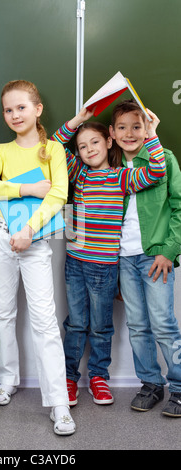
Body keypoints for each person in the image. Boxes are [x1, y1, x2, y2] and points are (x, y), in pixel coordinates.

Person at [51, 105, 166, 408]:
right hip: (75, 262)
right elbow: (52, 146)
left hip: (105, 266)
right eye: (82, 146)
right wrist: (77, 120)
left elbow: (156, 171)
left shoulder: (121, 178)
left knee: (101, 325)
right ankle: (68, 377)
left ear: (109, 141)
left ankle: (99, 376)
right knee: (76, 323)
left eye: (95, 143)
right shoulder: (77, 173)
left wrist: (152, 134)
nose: (89, 150)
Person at [0, 79, 76, 436]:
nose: (14, 114)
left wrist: (29, 230)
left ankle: (58, 403)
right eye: (8, 109)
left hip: (33, 241)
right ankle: (7, 380)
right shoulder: (2, 151)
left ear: (37, 110)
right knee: (2, 313)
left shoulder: (54, 150)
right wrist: (26, 188)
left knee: (44, 321)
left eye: (21, 107)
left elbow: (58, 196)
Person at [109, 99, 181, 417]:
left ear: (147, 127)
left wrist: (169, 250)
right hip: (122, 259)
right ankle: (151, 384)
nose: (129, 133)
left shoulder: (162, 159)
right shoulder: (108, 168)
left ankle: (178, 388)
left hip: (154, 257)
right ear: (111, 132)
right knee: (138, 325)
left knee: (163, 324)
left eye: (136, 126)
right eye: (122, 127)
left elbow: (179, 207)